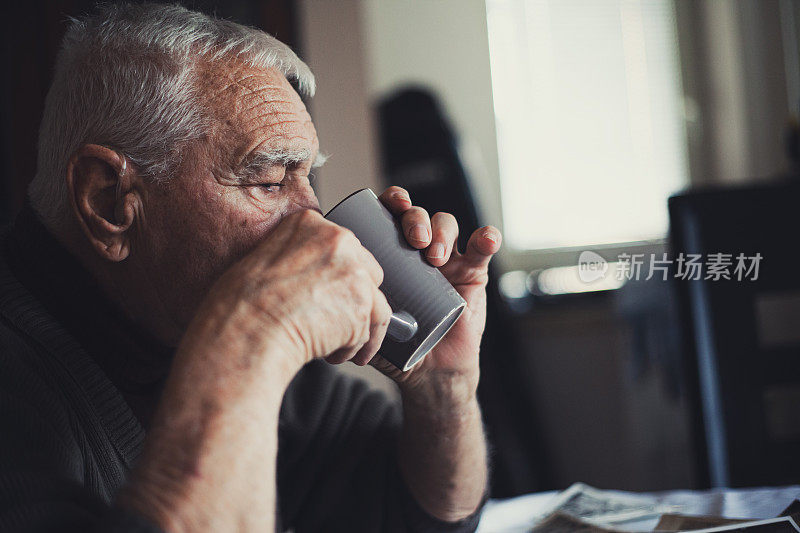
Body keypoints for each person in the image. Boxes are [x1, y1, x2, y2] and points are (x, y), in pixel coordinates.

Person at [0, 3, 501, 532]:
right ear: (110, 202)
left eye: (308, 178)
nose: (326, 232)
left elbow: (420, 517)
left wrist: (444, 386)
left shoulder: (206, 327)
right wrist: (257, 335)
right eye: (268, 181)